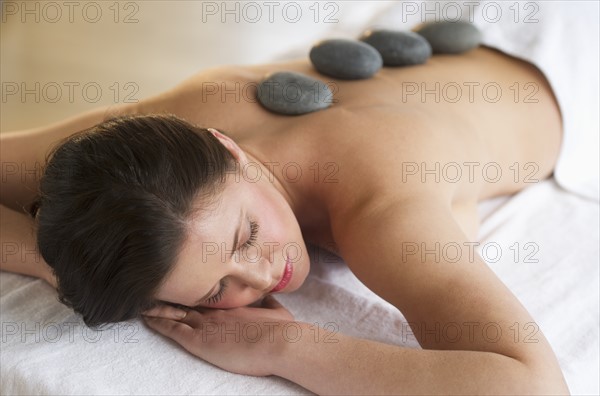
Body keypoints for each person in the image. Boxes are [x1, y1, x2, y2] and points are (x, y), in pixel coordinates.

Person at [0, 44, 569, 394]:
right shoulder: (151, 153)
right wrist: (63, 267)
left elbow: (534, 388)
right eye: (218, 287)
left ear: (228, 150)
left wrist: (287, 346)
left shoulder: (382, 208)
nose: (261, 274)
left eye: (246, 234)